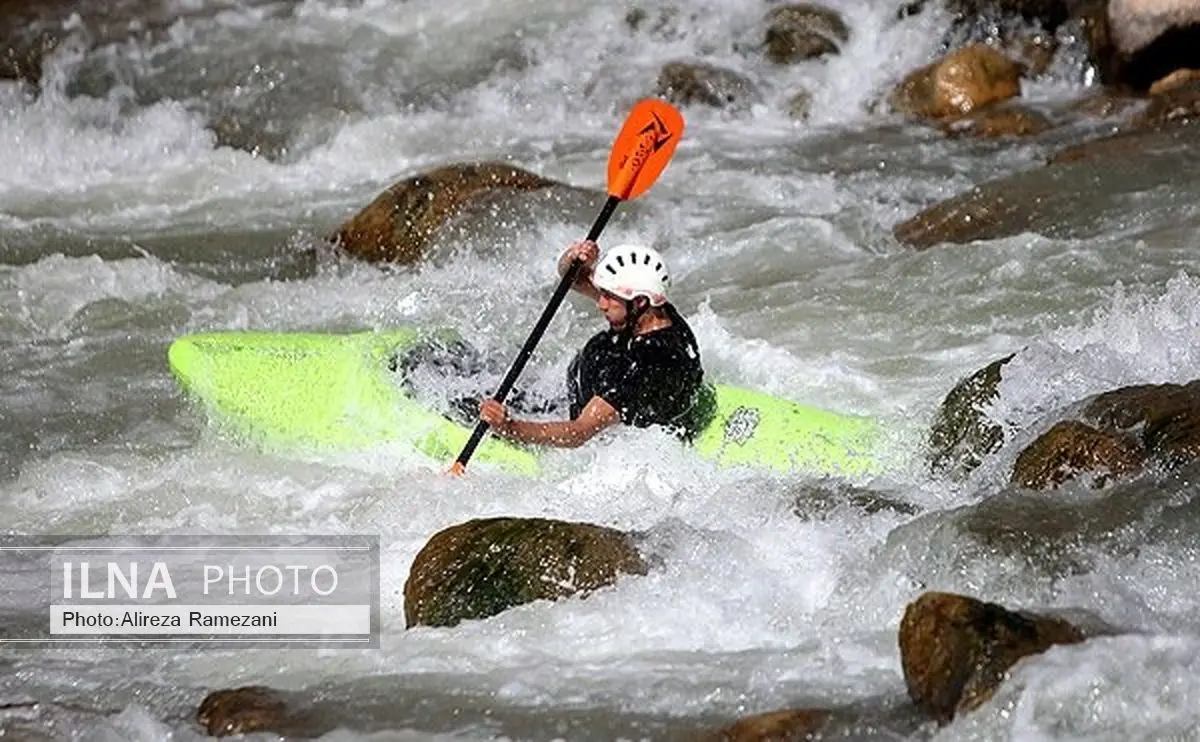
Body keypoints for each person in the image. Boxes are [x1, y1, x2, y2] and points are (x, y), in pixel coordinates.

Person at [479, 239, 715, 448]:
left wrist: (509, 427)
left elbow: (578, 434)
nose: (600, 303)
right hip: (583, 399)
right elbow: (574, 279)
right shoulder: (655, 313)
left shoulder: (645, 366)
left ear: (640, 302)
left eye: (608, 296)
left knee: (471, 401)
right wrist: (573, 260)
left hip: (597, 431)